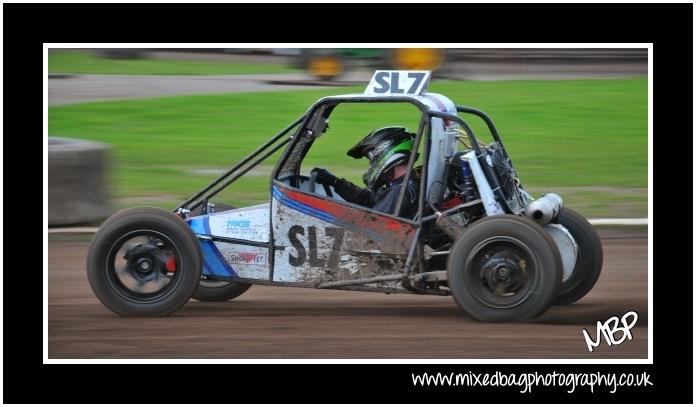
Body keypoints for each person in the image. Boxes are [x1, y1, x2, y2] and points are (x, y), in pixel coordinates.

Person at [312, 126, 420, 218]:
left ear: (383, 153)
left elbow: (373, 225)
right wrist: (335, 182)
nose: (371, 165)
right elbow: (369, 200)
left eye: (371, 160)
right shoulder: (406, 185)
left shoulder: (399, 192)